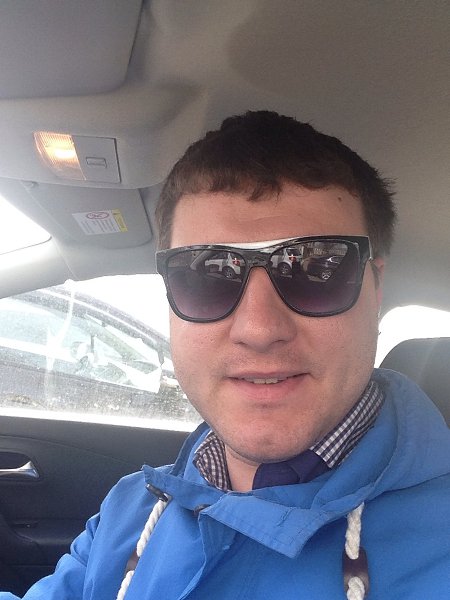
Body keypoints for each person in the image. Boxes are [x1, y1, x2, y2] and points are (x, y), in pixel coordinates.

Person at [2, 111, 450, 600]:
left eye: (316, 269)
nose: (259, 330)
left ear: (376, 287)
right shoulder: (131, 510)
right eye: (206, 274)